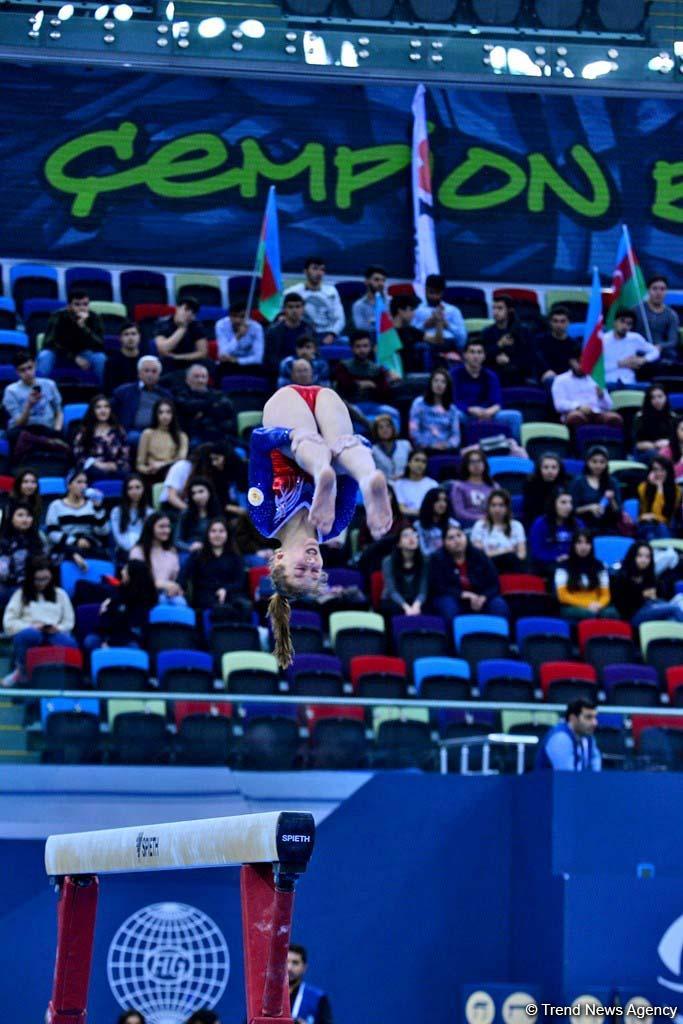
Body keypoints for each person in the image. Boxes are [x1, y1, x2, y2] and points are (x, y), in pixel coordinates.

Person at [247, 383, 393, 667]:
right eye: (315, 571)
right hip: (329, 414)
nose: (312, 563)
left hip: (288, 410)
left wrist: (289, 435)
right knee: (342, 452)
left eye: (301, 569)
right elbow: (359, 445)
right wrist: (352, 455)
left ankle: (320, 468)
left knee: (306, 449)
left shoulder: (264, 517)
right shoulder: (335, 525)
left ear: (279, 558)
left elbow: (258, 442)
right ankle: (368, 478)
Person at [2, 557, 77, 687]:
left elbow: (69, 621)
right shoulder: (21, 594)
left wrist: (58, 628)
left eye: (45, 579)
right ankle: (21, 671)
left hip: (53, 633)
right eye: (38, 579)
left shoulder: (61, 594)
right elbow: (8, 622)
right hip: (30, 631)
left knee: (70, 643)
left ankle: (64, 679)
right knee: (30, 635)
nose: (42, 583)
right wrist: (31, 626)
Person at [428, 523, 508, 621]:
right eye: (451, 538)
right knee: (449, 607)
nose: (457, 540)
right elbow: (438, 587)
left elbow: (494, 583)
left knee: (499, 606)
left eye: (459, 535)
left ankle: (499, 631)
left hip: (480, 597)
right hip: (454, 597)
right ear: (444, 542)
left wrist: (484, 597)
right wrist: (462, 594)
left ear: (465, 537)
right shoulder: (437, 559)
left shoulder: (479, 555)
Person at [3, 353, 67, 465]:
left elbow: (58, 411)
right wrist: (29, 405)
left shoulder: (49, 384)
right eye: (23, 370)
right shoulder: (11, 390)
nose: (27, 373)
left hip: (46, 429)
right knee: (18, 435)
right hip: (23, 429)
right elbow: (19, 423)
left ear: (35, 366)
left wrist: (57, 430)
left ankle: (45, 442)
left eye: (30, 368)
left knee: (61, 436)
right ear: (17, 372)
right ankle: (45, 442)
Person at [452, 339, 522, 441]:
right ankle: (457, 447)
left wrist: (488, 412)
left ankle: (515, 447)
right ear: (465, 355)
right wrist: (470, 409)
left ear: (484, 356)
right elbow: (454, 400)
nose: (476, 356)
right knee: (455, 415)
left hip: (488, 413)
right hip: (466, 413)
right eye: (472, 352)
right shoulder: (455, 374)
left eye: (479, 352)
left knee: (515, 416)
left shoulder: (490, 375)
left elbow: (497, 402)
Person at [179, 516, 248, 614]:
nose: (217, 535)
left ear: (227, 534)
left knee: (243, 605)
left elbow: (240, 582)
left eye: (221, 531)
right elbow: (184, 576)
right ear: (207, 534)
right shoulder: (197, 555)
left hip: (231, 594)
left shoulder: (236, 556)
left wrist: (225, 589)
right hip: (205, 596)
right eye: (213, 531)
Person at [37, 289, 106, 384]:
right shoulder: (57, 316)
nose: (82, 308)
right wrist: (75, 358)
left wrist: (84, 327)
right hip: (60, 354)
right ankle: (38, 389)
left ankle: (104, 391)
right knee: (44, 355)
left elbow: (100, 343)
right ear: (69, 306)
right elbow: (50, 343)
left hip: (84, 353)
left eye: (85, 304)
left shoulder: (95, 317)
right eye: (77, 304)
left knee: (100, 358)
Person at [45, 470, 109, 568]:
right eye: (79, 482)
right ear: (69, 485)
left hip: (89, 545)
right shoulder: (56, 505)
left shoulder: (92, 505)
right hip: (65, 545)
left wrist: (98, 509)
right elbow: (52, 533)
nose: (83, 486)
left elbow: (103, 532)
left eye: (85, 482)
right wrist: (75, 541)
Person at [614, 541, 683, 626]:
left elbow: (660, 594)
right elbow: (623, 605)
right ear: (632, 556)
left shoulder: (648, 574)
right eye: (640, 556)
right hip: (633, 615)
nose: (644, 560)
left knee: (672, 617)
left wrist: (655, 593)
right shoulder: (622, 576)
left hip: (650, 607)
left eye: (647, 557)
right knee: (675, 609)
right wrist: (642, 595)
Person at [93, 559, 158, 649]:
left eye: (125, 570)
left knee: (133, 647)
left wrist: (110, 643)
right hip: (110, 634)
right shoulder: (119, 591)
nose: (122, 572)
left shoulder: (143, 601)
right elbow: (107, 619)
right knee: (91, 641)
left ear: (133, 575)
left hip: (129, 638)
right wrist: (103, 612)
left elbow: (132, 630)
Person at [554, 530, 614, 620]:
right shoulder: (563, 566)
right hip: (571, 606)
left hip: (595, 605)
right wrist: (587, 605)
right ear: (573, 545)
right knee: (588, 614)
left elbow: (606, 595)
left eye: (587, 543)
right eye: (579, 543)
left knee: (611, 613)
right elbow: (562, 596)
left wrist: (599, 605)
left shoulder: (599, 566)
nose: (583, 547)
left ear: (591, 546)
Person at [174, 363, 237, 446]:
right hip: (193, 437)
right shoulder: (180, 394)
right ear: (187, 380)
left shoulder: (219, 395)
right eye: (196, 377)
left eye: (204, 377)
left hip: (220, 435)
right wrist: (212, 405)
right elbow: (186, 407)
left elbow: (228, 413)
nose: (200, 380)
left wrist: (201, 412)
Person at [130, 512, 186, 605]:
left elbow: (174, 580)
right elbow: (138, 582)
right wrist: (164, 584)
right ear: (151, 528)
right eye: (161, 527)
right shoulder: (137, 551)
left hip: (166, 594)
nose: (166, 530)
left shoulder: (171, 552)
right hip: (143, 596)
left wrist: (175, 589)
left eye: (168, 526)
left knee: (180, 602)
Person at [285, 257, 345, 343]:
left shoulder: (331, 291)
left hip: (328, 334)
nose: (319, 273)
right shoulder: (292, 292)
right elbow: (281, 315)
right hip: (301, 334)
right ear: (305, 272)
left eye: (322, 270)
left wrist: (332, 334)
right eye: (315, 269)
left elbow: (340, 319)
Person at [551, 360, 623, 430]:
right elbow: (559, 404)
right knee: (575, 417)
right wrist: (578, 407)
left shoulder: (596, 378)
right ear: (572, 362)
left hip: (597, 412)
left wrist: (602, 397)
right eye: (580, 362)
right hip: (575, 412)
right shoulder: (561, 380)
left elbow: (609, 406)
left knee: (614, 418)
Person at [535, 699, 601, 772]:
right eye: (588, 717)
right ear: (573, 718)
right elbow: (567, 776)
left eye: (595, 717)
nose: (595, 723)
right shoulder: (560, 738)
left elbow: (596, 773)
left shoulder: (589, 738)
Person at [73, 395, 130, 480]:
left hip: (114, 468)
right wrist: (96, 464)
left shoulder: (119, 430)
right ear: (92, 411)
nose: (103, 411)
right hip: (93, 468)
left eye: (106, 407)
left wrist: (114, 465)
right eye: (98, 407)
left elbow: (125, 455)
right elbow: (79, 455)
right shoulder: (84, 431)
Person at [0, 502, 46, 607]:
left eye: (29, 516)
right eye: (20, 515)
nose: (25, 519)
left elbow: (44, 565)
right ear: (11, 518)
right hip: (5, 585)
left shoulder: (39, 538)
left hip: (32, 585)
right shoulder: (3, 539)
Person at [411, 273, 467, 358]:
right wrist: (425, 325)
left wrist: (446, 324)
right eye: (431, 292)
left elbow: (462, 339)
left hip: (448, 345)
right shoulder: (417, 310)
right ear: (425, 290)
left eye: (437, 293)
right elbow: (408, 334)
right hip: (424, 344)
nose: (434, 296)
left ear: (442, 292)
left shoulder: (453, 311)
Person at [470, 488, 527, 572]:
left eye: (501, 505)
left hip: (511, 565)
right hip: (488, 566)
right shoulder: (479, 525)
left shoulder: (517, 526)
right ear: (488, 507)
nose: (497, 509)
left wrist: (496, 553)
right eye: (493, 505)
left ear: (507, 507)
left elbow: (522, 555)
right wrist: (506, 551)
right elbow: (479, 555)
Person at [112, 355, 172, 433]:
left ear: (159, 375)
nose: (150, 374)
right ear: (139, 374)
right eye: (146, 371)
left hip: (157, 431)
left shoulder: (165, 395)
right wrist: (119, 427)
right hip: (131, 431)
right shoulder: (123, 392)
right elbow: (112, 412)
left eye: (154, 371)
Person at [569, 446, 621, 534]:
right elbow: (571, 509)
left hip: (608, 527)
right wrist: (589, 508)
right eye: (594, 461)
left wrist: (612, 500)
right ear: (587, 462)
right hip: (583, 527)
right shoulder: (578, 482)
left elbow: (618, 513)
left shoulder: (612, 482)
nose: (598, 465)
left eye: (602, 462)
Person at [334, 330, 396, 404]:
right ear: (352, 348)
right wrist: (367, 384)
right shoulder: (343, 366)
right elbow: (346, 386)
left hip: (374, 404)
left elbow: (384, 391)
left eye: (365, 346)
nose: (362, 350)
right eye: (358, 346)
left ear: (370, 347)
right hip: (350, 404)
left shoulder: (376, 369)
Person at [529, 489, 582, 574]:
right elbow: (536, 551)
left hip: (573, 563)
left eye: (570, 502)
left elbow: (585, 545)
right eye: (563, 502)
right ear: (553, 504)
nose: (568, 506)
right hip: (548, 565)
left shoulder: (578, 523)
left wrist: (571, 557)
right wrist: (556, 557)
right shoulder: (540, 523)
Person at [482, 294, 531, 386]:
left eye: (500, 308)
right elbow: (482, 356)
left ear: (510, 310)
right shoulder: (487, 332)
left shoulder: (522, 331)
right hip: (494, 372)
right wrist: (499, 345)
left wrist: (509, 361)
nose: (495, 312)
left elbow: (529, 357)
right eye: (494, 308)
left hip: (518, 373)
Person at [136, 399, 189, 484]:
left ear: (173, 414)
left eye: (168, 412)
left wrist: (162, 464)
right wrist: (148, 470)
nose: (165, 416)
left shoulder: (182, 436)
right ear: (156, 415)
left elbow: (181, 460)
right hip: (151, 474)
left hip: (173, 473)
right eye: (161, 412)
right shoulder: (148, 433)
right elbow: (140, 464)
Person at [603, 307, 659, 386]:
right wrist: (620, 364)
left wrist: (643, 359)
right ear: (615, 322)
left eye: (629, 324)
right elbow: (597, 368)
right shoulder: (603, 340)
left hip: (629, 382)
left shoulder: (635, 338)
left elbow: (655, 351)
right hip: (608, 382)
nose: (625, 326)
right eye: (622, 321)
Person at [265, 292, 317, 375]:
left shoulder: (310, 330)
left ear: (303, 308)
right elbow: (270, 359)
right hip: (281, 371)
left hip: (306, 370)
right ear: (284, 309)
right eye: (290, 307)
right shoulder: (273, 331)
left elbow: (316, 354)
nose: (294, 310)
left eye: (298, 307)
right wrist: (291, 367)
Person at [408, 369, 461, 451]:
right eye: (436, 381)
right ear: (430, 383)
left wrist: (447, 445)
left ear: (447, 386)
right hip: (423, 448)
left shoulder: (452, 409)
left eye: (443, 382)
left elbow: (456, 436)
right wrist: (429, 445)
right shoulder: (419, 403)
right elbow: (413, 431)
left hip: (445, 449)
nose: (439, 384)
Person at [632, 275, 681, 362]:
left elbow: (673, 341)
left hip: (660, 353)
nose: (658, 293)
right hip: (638, 351)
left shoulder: (671, 315)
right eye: (654, 289)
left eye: (662, 289)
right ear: (648, 290)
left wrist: (660, 346)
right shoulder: (636, 310)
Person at [154, 296, 209, 369]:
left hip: (189, 361)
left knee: (208, 364)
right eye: (187, 309)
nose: (189, 313)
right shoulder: (163, 323)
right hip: (169, 363)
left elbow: (203, 353)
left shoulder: (196, 325)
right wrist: (182, 328)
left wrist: (177, 357)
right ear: (177, 308)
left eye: (193, 312)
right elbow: (163, 349)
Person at [110, 473, 153, 565]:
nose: (134, 491)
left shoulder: (150, 513)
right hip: (124, 551)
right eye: (130, 488)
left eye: (138, 487)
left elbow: (149, 537)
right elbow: (119, 537)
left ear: (143, 489)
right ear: (125, 491)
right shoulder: (116, 511)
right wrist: (134, 550)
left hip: (144, 551)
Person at [637, 455, 681, 540]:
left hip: (668, 526)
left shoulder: (676, 490)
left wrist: (659, 488)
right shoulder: (643, 488)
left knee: (659, 527)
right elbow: (642, 514)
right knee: (650, 529)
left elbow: (665, 517)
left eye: (662, 470)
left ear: (668, 471)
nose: (659, 473)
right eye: (655, 469)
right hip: (646, 525)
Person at [288, 944, 333, 1024]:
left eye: (295, 963)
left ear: (304, 967)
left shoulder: (318, 998)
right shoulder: (269, 996)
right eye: (286, 962)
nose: (289, 968)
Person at [174, 477, 222, 553]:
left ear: (209, 492)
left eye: (201, 491)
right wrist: (189, 547)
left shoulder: (218, 512)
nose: (197, 496)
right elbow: (177, 540)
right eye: (193, 493)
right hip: (192, 552)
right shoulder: (186, 514)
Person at [535, 305, 581, 382]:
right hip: (547, 377)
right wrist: (546, 371)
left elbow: (576, 367)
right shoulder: (540, 341)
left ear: (569, 323)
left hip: (567, 379)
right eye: (555, 321)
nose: (559, 325)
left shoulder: (574, 344)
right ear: (550, 322)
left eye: (562, 321)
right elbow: (538, 362)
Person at [450, 449, 494, 527]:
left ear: (484, 464)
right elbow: (459, 512)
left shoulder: (493, 486)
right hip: (469, 526)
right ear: (466, 465)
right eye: (472, 462)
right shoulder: (459, 486)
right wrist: (481, 518)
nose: (476, 465)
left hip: (493, 524)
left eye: (479, 461)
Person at [522, 453, 567, 526]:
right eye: (546, 467)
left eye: (554, 467)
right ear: (539, 469)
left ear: (559, 469)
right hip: (537, 522)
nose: (550, 471)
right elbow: (530, 512)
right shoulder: (530, 485)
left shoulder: (565, 484)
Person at [216, 302, 265, 369]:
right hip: (228, 363)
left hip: (249, 364)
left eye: (242, 317)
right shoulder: (221, 325)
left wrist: (237, 360)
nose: (237, 320)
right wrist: (238, 336)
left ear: (249, 317)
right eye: (234, 316)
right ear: (229, 316)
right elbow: (222, 354)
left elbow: (258, 358)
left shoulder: (257, 328)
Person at [390, 449, 438, 518]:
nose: (420, 464)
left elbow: (436, 509)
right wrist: (424, 512)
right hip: (408, 520)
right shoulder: (399, 484)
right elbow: (402, 509)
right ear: (409, 463)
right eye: (417, 460)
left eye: (424, 462)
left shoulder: (433, 484)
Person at [634, 385, 677, 456]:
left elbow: (677, 439)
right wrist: (654, 445)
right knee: (655, 453)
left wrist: (669, 442)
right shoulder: (640, 417)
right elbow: (636, 444)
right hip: (646, 451)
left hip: (668, 449)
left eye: (660, 396)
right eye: (653, 397)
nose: (657, 400)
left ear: (666, 397)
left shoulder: (673, 417)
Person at [416, 487, 457, 556]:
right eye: (438, 500)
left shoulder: (454, 524)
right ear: (429, 502)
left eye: (445, 501)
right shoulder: (418, 525)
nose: (442, 504)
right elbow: (423, 552)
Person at [103, 322, 144, 393]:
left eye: (134, 334)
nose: (130, 338)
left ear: (139, 337)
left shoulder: (145, 360)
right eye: (126, 334)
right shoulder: (112, 362)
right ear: (120, 338)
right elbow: (109, 389)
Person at [370, 413, 412, 481]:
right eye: (381, 427)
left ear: (393, 428)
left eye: (388, 426)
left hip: (406, 482)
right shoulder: (373, 450)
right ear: (376, 431)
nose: (385, 429)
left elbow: (412, 465)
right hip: (384, 484)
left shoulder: (405, 445)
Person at [390, 293, 423, 372]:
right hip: (393, 373)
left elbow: (437, 340)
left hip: (411, 373)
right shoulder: (386, 333)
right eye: (411, 310)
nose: (413, 314)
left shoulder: (412, 330)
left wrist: (439, 322)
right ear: (400, 311)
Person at [351, 265, 387, 333]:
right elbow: (360, 327)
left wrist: (372, 322)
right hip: (368, 337)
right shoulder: (358, 305)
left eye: (383, 280)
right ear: (366, 282)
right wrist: (383, 324)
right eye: (376, 280)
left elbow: (394, 325)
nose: (381, 283)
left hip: (388, 337)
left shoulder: (390, 302)